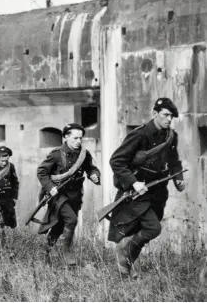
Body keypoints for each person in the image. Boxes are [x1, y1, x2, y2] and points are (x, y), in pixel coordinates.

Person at [108, 98, 185, 277]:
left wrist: (178, 178)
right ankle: (124, 256)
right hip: (136, 192)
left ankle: (126, 266)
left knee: (140, 230)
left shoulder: (171, 136)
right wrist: (133, 182)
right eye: (165, 115)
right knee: (153, 228)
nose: (169, 119)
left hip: (157, 192)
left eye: (171, 116)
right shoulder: (140, 135)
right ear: (155, 114)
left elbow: (174, 162)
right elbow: (117, 160)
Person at [36, 123, 101, 266]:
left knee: (59, 226)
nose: (78, 141)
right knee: (71, 220)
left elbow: (91, 168)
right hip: (58, 195)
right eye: (75, 138)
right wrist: (50, 187)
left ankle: (45, 251)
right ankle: (66, 253)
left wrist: (94, 175)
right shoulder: (56, 154)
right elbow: (42, 172)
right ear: (66, 137)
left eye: (80, 138)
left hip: (75, 196)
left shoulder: (84, 154)